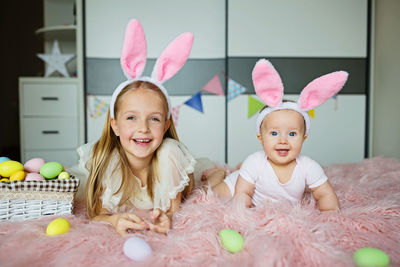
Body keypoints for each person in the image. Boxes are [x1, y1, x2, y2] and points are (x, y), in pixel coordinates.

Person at [80, 19, 195, 236]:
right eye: (131, 117)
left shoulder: (170, 156)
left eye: (154, 119)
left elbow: (174, 211)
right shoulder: (108, 162)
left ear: (166, 125)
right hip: (113, 161)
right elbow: (97, 214)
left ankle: (215, 173)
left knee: (211, 179)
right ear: (114, 125)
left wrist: (167, 218)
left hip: (170, 164)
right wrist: (113, 220)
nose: (143, 128)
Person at [205, 59, 348, 212]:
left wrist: (330, 214)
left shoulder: (309, 167)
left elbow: (324, 194)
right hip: (238, 185)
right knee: (212, 195)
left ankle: (240, 170)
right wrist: (245, 215)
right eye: (274, 133)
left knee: (246, 173)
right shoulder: (254, 162)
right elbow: (243, 194)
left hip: (250, 175)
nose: (283, 140)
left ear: (303, 137)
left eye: (292, 134)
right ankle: (218, 174)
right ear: (260, 138)